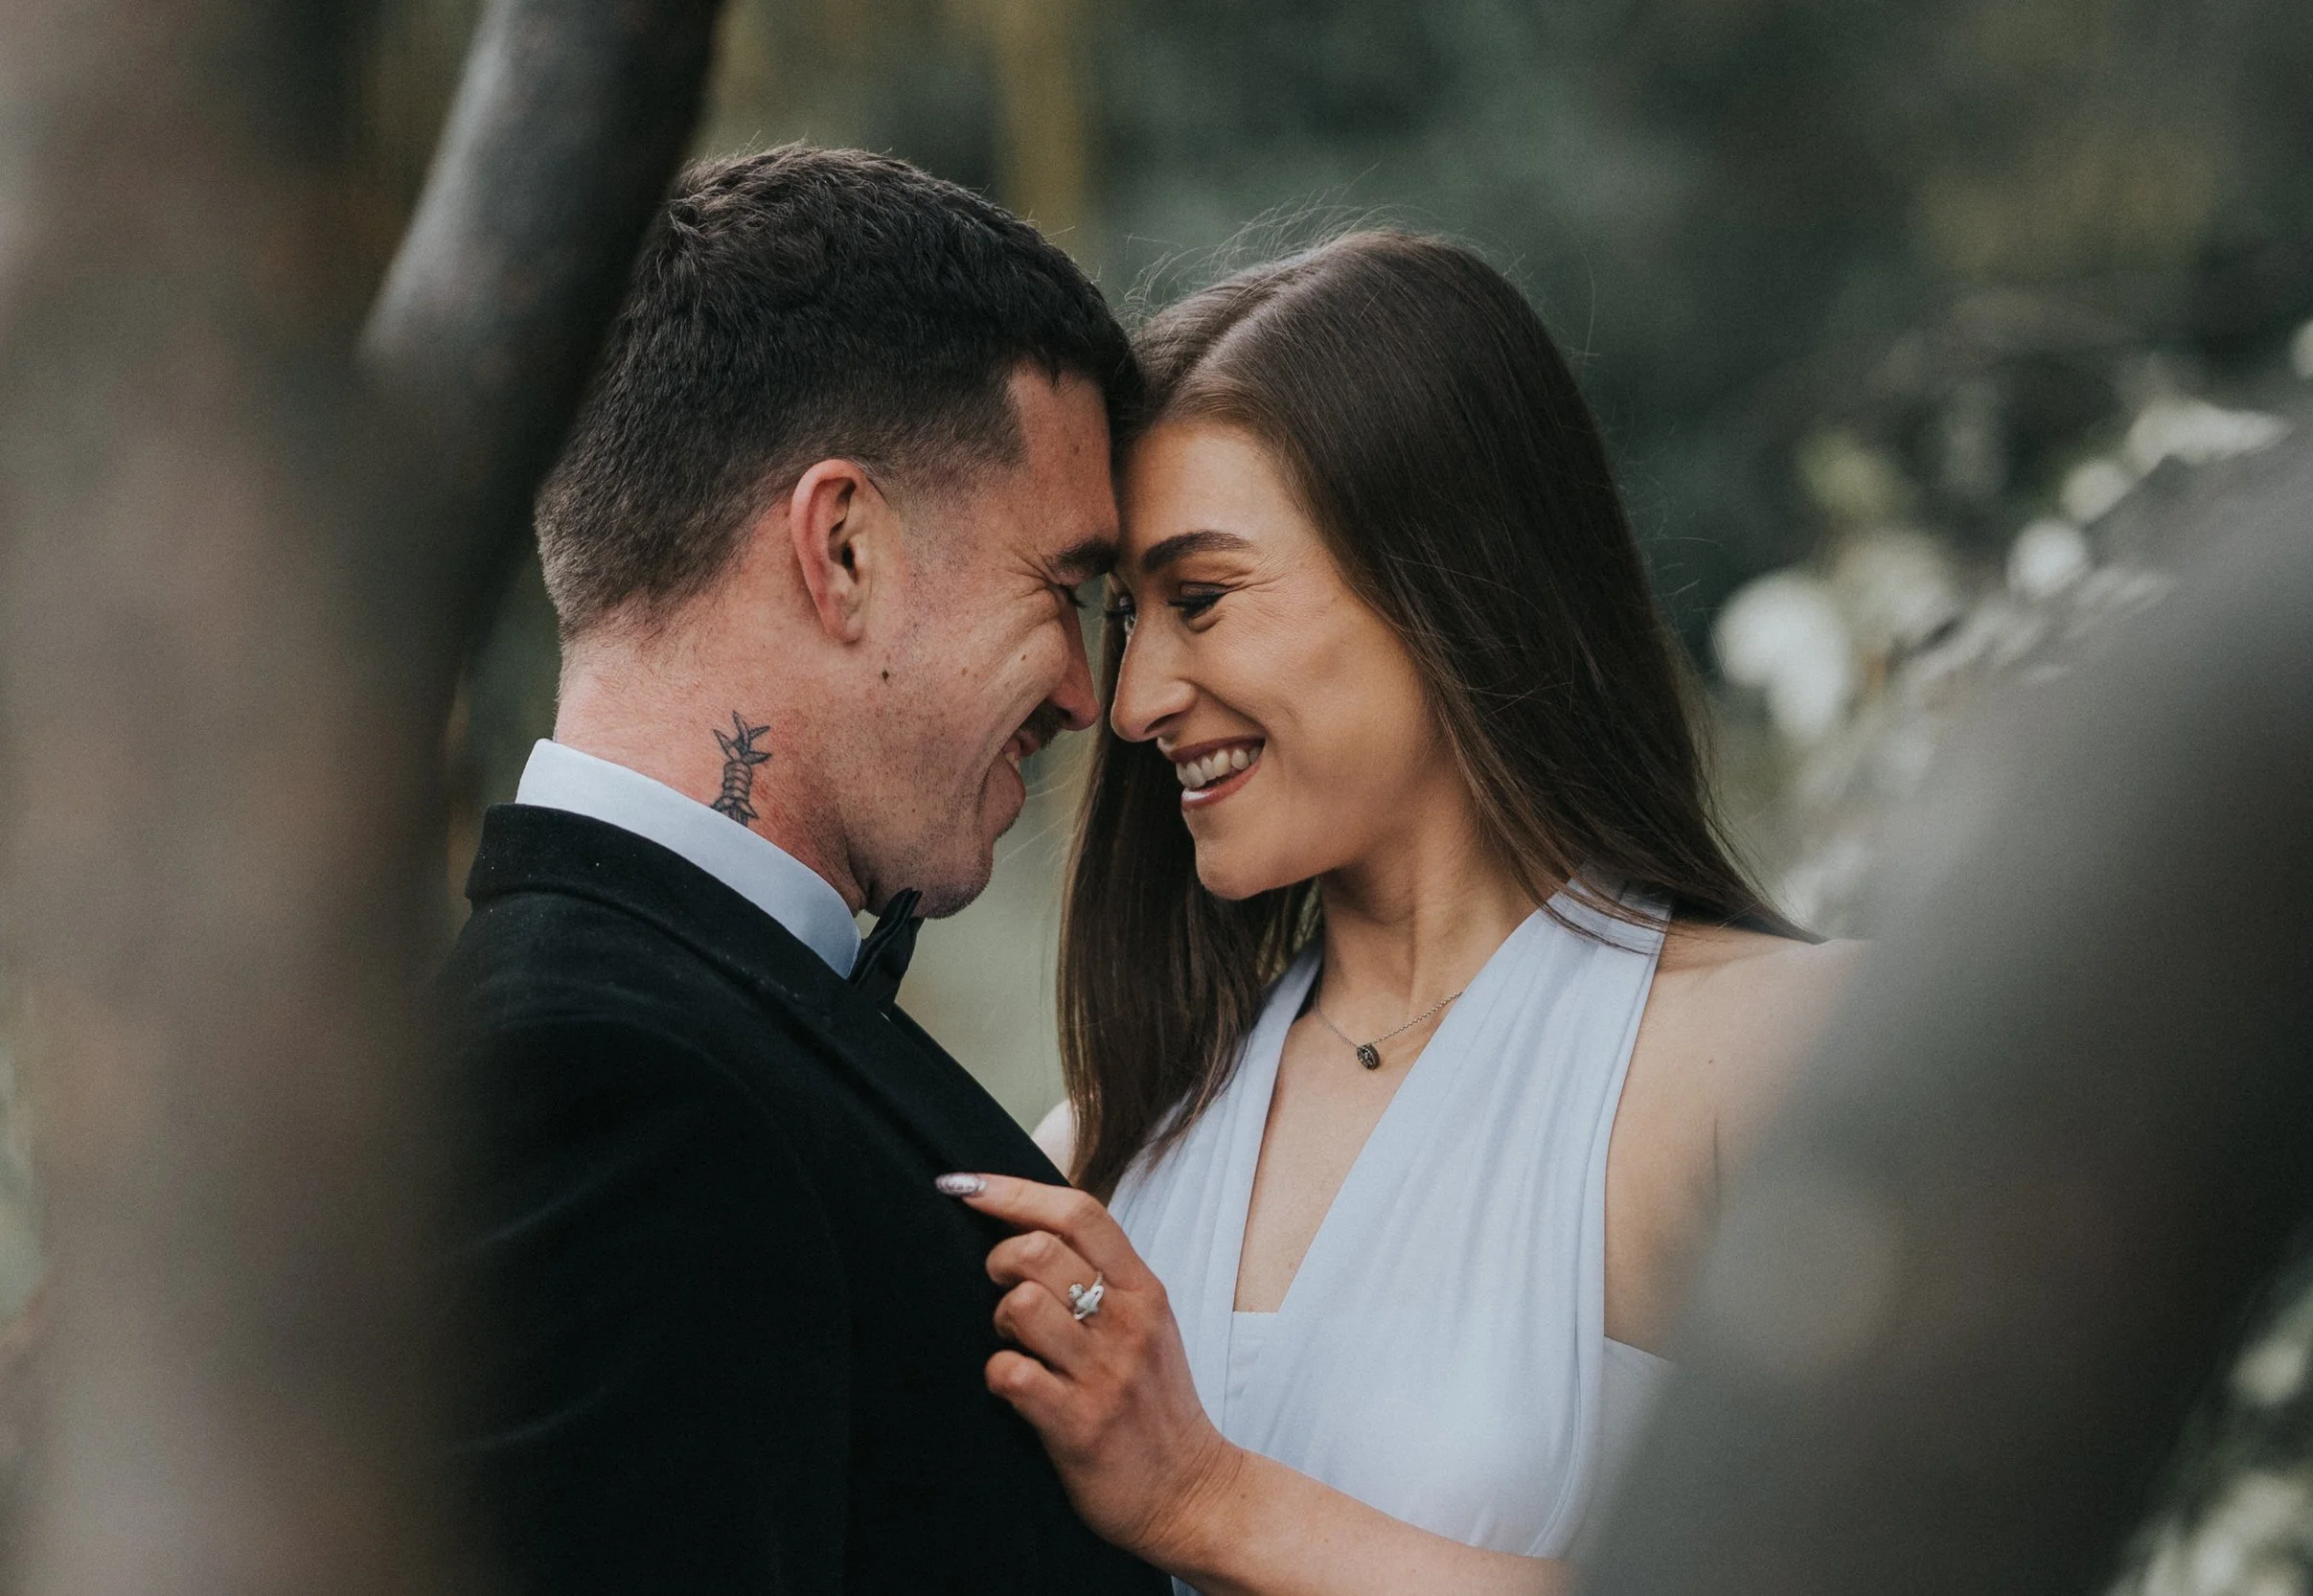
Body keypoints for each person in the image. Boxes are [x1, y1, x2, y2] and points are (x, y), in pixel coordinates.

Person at [939, 231, 1862, 1594]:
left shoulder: (1763, 1059)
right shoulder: (1103, 1157)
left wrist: (1210, 1499)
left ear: (1448, 578)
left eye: (1201, 598)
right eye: (1127, 617)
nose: (1131, 705)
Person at [438, 145, 1166, 1596]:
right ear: (842, 548)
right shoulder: (614, 1084)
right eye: (1065, 589)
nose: (1093, 694)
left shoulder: (658, 1023)